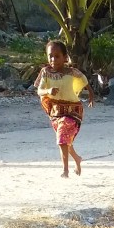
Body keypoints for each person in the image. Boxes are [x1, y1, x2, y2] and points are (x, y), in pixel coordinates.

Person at [34, 40, 93, 178]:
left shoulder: (72, 72)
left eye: (57, 56)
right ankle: (77, 159)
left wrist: (91, 95)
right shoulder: (45, 72)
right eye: (51, 56)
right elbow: (39, 90)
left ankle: (65, 171)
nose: (53, 59)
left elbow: (84, 81)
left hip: (72, 111)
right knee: (65, 141)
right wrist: (48, 90)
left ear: (65, 57)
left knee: (62, 137)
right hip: (55, 111)